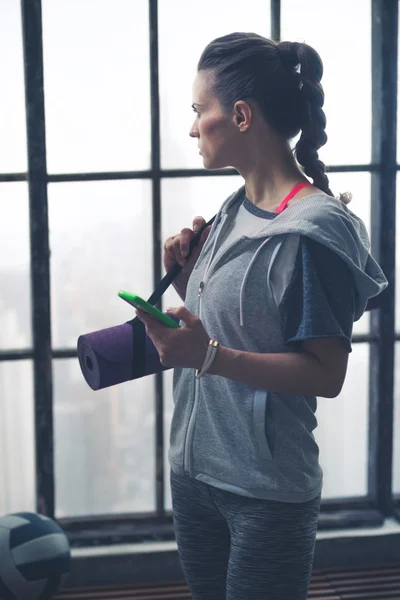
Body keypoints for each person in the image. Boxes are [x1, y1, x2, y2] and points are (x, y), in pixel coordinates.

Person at [136, 32, 388, 600]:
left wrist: (205, 356)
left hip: (264, 492)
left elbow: (325, 374)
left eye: (201, 110)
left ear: (242, 115)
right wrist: (184, 280)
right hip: (195, 474)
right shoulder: (231, 209)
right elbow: (242, 323)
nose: (194, 126)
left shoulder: (311, 233)